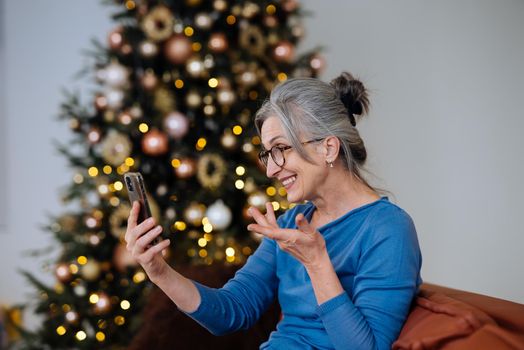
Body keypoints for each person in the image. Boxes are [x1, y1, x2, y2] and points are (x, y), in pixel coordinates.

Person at [125, 72, 422, 349]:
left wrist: (318, 264)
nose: (270, 169)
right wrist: (160, 272)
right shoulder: (292, 223)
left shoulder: (388, 229)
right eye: (267, 154)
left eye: (280, 149)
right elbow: (231, 310)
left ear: (329, 148)